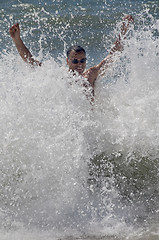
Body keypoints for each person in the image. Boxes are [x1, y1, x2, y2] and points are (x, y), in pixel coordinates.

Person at [9, 15, 133, 92]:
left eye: (82, 60)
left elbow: (113, 56)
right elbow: (31, 61)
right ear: (67, 61)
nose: (79, 64)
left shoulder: (90, 75)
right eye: (75, 61)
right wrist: (17, 40)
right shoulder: (59, 76)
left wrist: (124, 30)